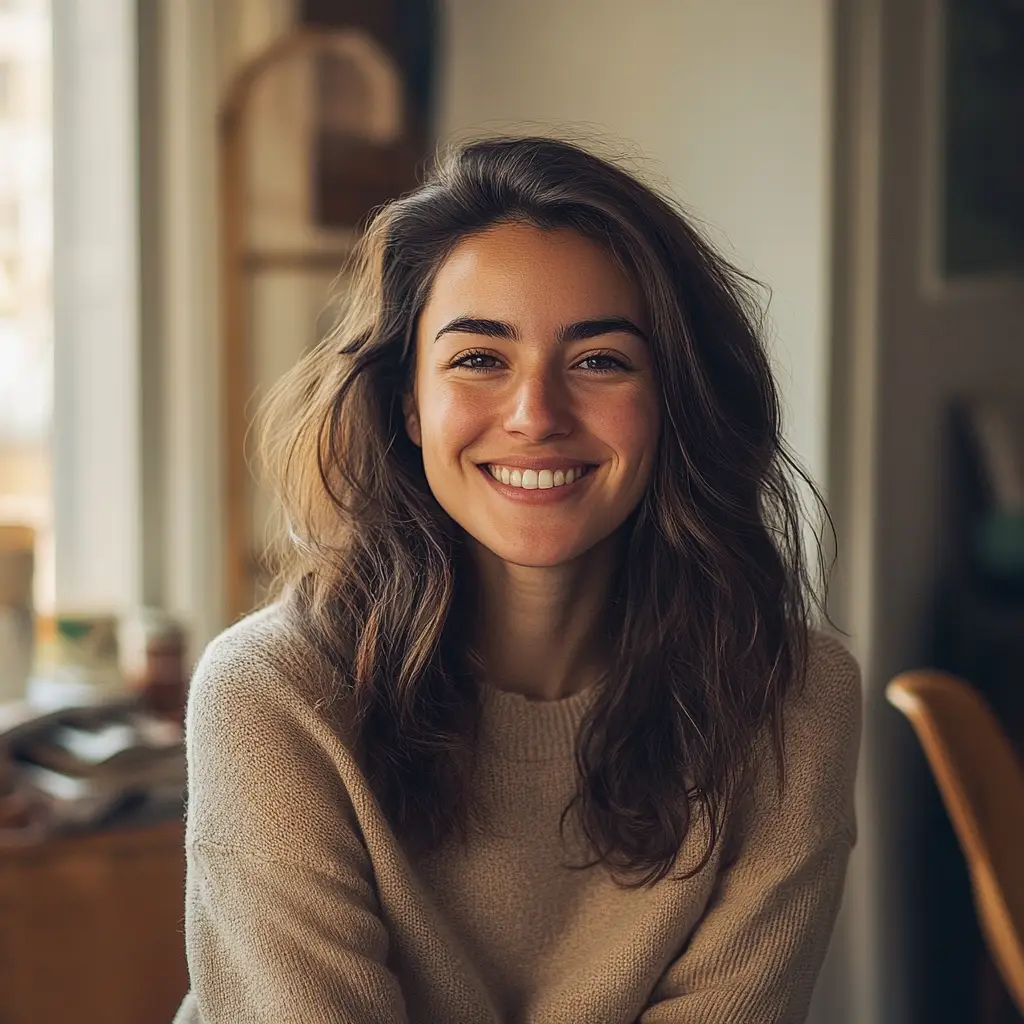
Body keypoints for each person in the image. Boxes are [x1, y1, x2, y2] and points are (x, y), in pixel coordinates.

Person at [172, 136, 861, 1024]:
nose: (537, 416)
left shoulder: (791, 701)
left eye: (600, 360)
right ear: (408, 403)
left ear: (673, 400)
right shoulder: (270, 698)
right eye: (479, 358)